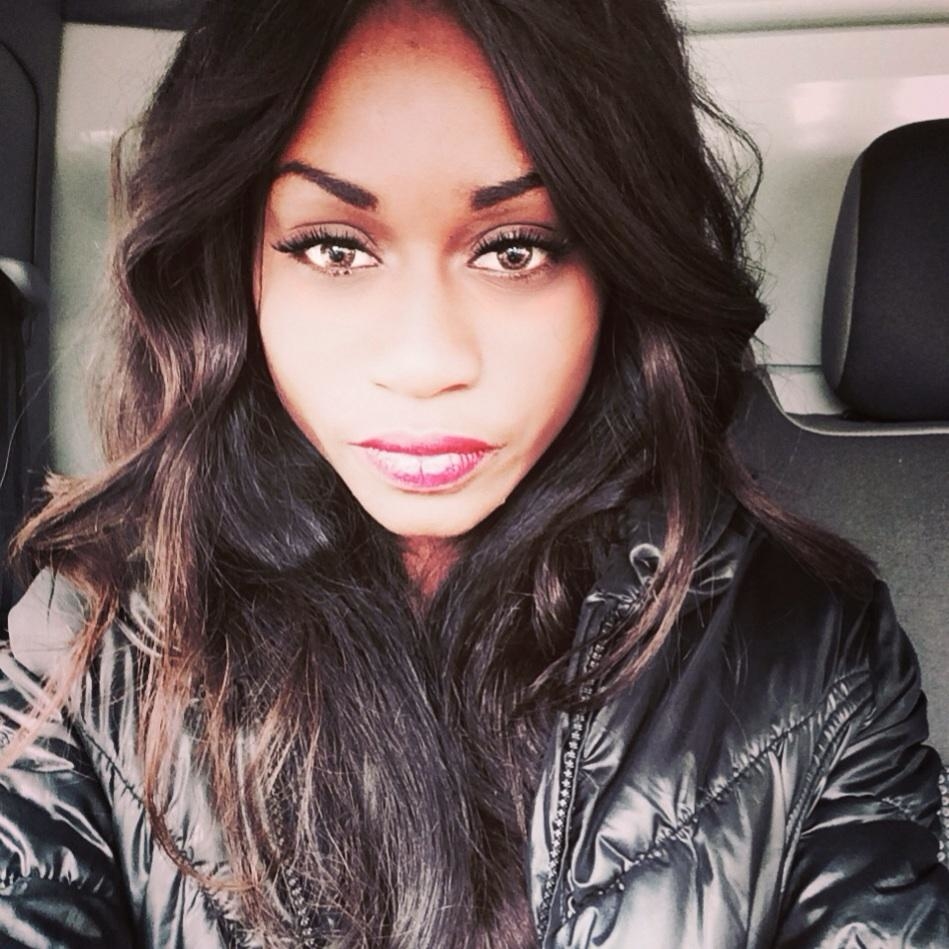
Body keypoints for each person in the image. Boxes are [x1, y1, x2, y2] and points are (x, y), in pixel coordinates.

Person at [1, 0, 947, 946]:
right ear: (234, 268)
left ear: (619, 270)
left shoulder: (812, 649)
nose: (425, 362)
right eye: (333, 247)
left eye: (513, 248)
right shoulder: (87, 640)